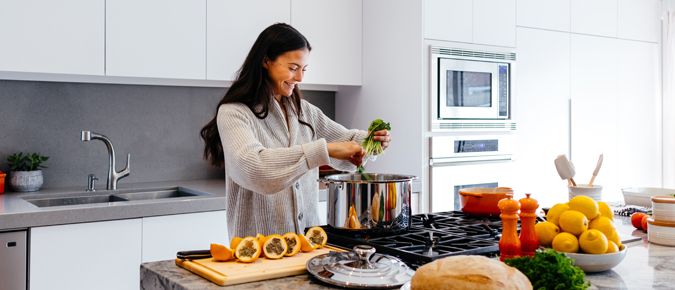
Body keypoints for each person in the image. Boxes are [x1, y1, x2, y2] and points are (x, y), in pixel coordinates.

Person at [200, 23, 391, 239]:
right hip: (258, 250)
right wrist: (323, 150)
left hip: (309, 246)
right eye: (293, 68)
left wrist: (372, 142)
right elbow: (254, 169)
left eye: (304, 69)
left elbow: (347, 142)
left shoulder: (305, 111)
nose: (300, 78)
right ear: (265, 61)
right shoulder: (235, 113)